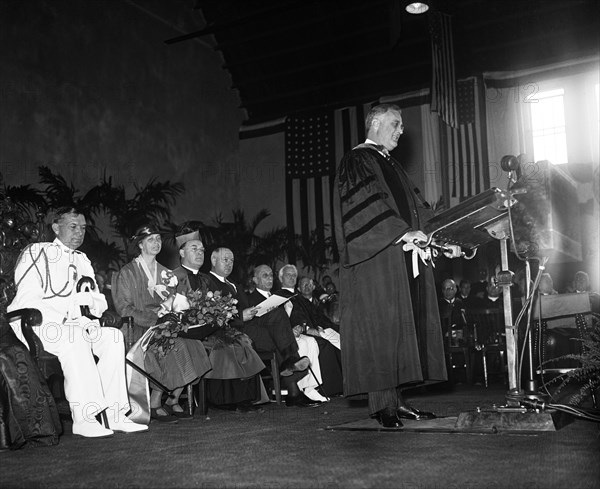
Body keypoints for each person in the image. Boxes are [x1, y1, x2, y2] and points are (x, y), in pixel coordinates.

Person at [333, 104, 462, 428]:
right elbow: (367, 209)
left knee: (401, 330)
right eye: (396, 123)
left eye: (402, 125)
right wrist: (403, 232)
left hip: (400, 256)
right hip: (376, 259)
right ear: (375, 122)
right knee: (381, 329)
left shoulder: (390, 164)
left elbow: (418, 209)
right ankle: (383, 405)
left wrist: (445, 234)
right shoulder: (358, 160)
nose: (401, 130)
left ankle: (397, 401)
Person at [7, 206, 147, 437]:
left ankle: (114, 414)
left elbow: (96, 299)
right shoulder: (37, 253)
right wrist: (69, 314)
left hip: (75, 324)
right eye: (73, 227)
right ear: (55, 227)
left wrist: (90, 313)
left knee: (112, 337)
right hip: (40, 323)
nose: (79, 233)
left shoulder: (83, 260)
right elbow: (28, 300)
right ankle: (85, 417)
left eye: (82, 228)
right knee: (76, 337)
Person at [112, 225, 212, 422]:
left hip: (163, 326)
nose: (156, 243)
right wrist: (155, 319)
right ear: (140, 245)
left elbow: (174, 302)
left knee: (193, 344)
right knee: (175, 345)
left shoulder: (167, 273)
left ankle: (170, 398)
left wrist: (173, 312)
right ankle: (156, 401)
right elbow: (124, 309)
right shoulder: (127, 272)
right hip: (137, 328)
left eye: (158, 239)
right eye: (151, 240)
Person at [172, 232, 268, 412]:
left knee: (241, 341)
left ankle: (243, 399)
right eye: (194, 249)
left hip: (209, 327)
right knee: (227, 345)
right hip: (187, 330)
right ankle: (222, 399)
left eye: (202, 250)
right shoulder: (173, 276)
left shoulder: (204, 279)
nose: (200, 253)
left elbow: (216, 307)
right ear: (182, 253)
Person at [203, 247, 272, 411]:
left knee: (245, 342)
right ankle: (231, 400)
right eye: (225, 259)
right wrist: (241, 316)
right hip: (217, 330)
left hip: (239, 327)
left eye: (232, 260)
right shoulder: (207, 281)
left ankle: (247, 398)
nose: (229, 263)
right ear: (213, 261)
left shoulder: (233, 284)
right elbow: (212, 312)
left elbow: (245, 307)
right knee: (235, 345)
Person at [247, 264, 324, 406]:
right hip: (260, 337)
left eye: (271, 275)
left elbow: (284, 321)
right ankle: (292, 371)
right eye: (265, 276)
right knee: (284, 332)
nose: (270, 278)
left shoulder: (277, 297)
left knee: (307, 341)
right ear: (255, 280)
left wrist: (293, 328)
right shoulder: (250, 299)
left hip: (280, 337)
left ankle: (298, 390)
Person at [275, 266, 344, 397]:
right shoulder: (278, 296)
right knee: (323, 344)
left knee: (337, 339)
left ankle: (342, 385)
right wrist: (306, 328)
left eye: (294, 275)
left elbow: (314, 315)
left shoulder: (299, 297)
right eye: (288, 275)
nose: (291, 277)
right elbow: (292, 318)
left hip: (307, 329)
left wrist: (318, 326)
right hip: (291, 334)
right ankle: (327, 388)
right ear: (280, 278)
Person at [438, 279, 467, 347]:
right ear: (442, 291)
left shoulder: (461, 303)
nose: (448, 291)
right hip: (444, 338)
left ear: (455, 290)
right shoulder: (438, 304)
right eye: (445, 288)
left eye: (450, 288)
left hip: (460, 336)